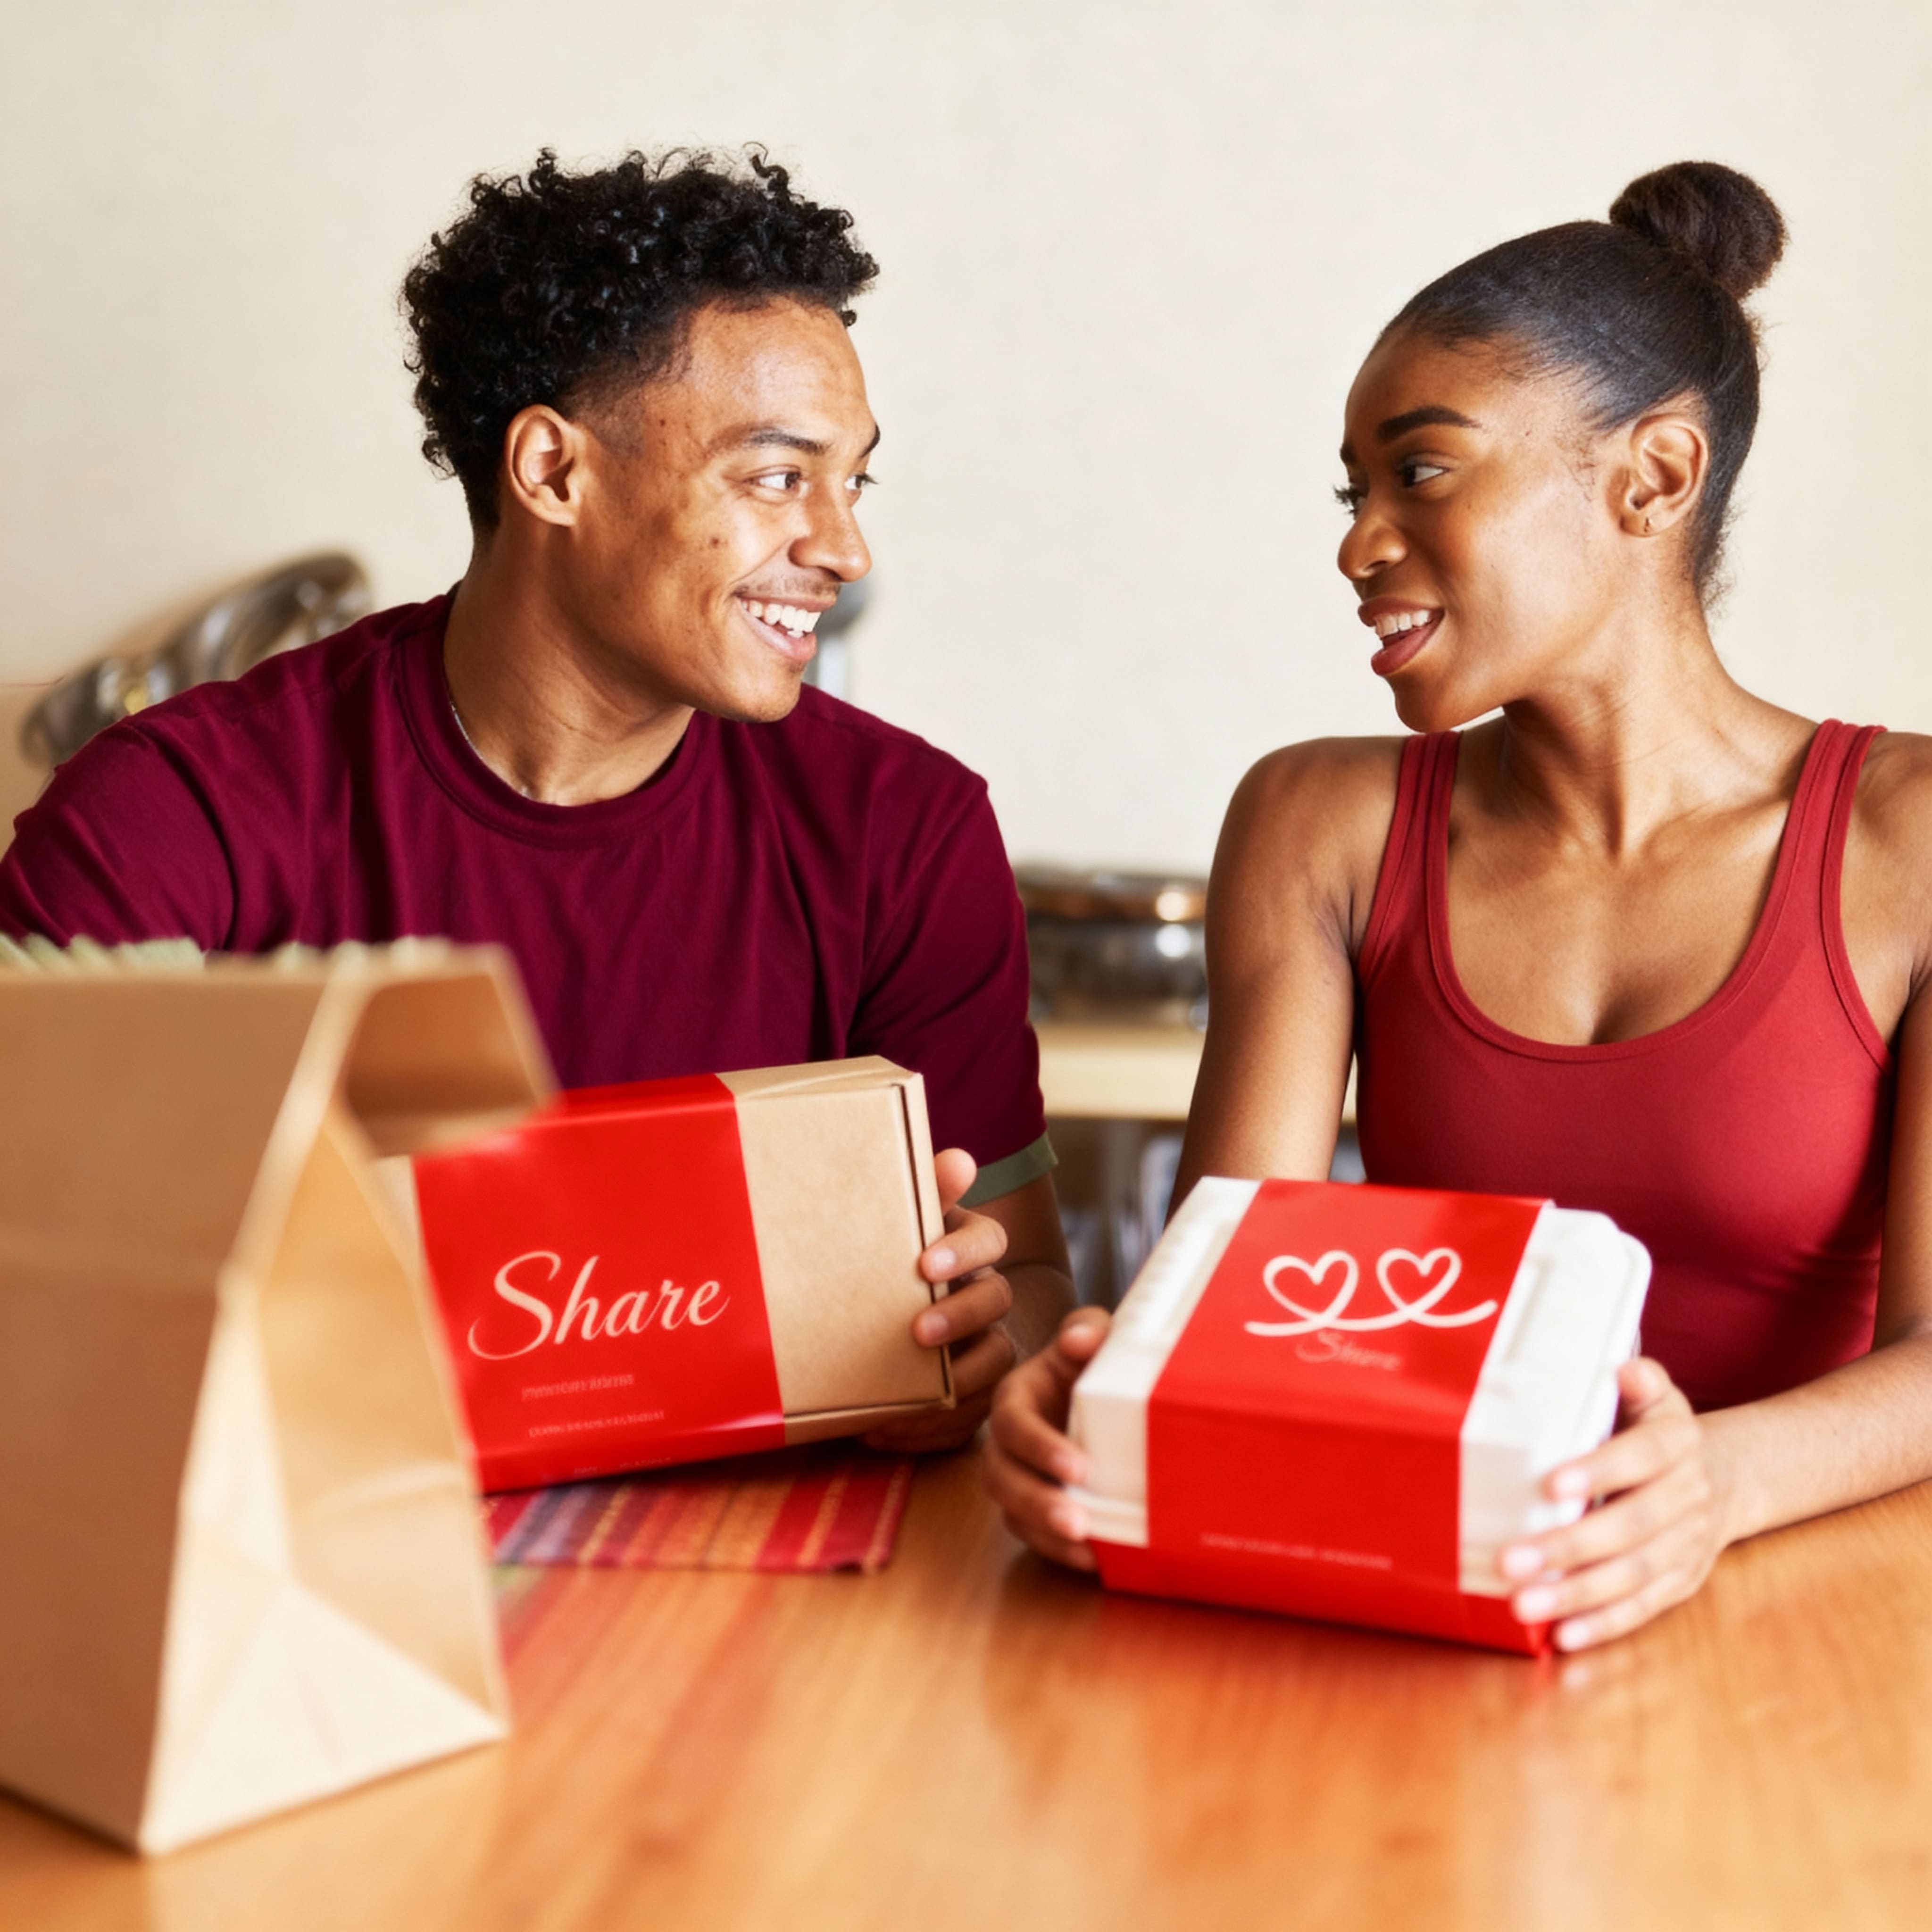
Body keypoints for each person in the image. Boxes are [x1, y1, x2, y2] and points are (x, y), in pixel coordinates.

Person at [988, 159, 1932, 1647]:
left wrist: (1710, 1487)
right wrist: (1103, 1408)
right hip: (1424, 1589)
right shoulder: (1321, 823)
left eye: (1420, 472)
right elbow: (1229, 1293)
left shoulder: (1910, 841)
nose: (1359, 542)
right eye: (1353, 490)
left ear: (1655, 477)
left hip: (1800, 1609)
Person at [0, 148, 1073, 1449]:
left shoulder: (907, 831)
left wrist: (962, 1354)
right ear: (555, 474)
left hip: (775, 1594)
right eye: (779, 477)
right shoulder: (175, 817)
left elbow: (1017, 1288)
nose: (844, 548)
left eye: (855, 482)